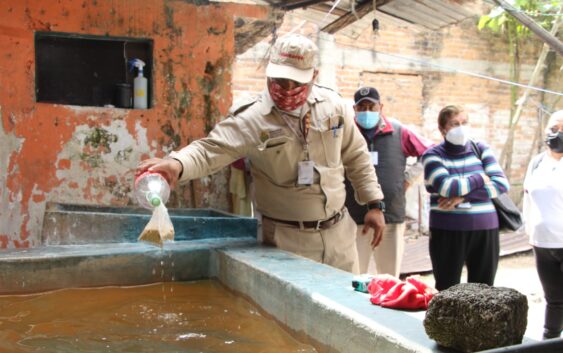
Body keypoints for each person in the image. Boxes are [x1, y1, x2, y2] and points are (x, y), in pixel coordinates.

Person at [135, 33, 386, 273]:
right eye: (279, 80)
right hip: (285, 243)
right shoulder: (251, 119)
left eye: (296, 82)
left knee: (344, 307)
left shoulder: (334, 107)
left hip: (339, 236)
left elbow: (357, 156)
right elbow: (209, 150)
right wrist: (177, 164)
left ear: (313, 76)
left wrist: (374, 204)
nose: (287, 89)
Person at [344, 87, 433, 277]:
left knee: (389, 277)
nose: (366, 111)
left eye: (371, 106)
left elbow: (428, 151)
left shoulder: (398, 131)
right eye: (362, 107)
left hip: (391, 214)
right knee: (355, 277)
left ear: (380, 107)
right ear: (355, 109)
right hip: (355, 216)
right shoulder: (347, 132)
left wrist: (409, 178)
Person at [422, 105, 509, 291]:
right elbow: (446, 186)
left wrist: (462, 197)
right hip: (447, 230)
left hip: (485, 228)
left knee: (483, 290)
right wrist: (481, 178)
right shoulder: (432, 155)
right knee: (447, 288)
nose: (460, 127)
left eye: (464, 122)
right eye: (454, 124)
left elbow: (501, 184)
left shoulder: (481, 149)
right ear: (443, 129)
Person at [523, 109, 563, 340]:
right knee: (554, 299)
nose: (558, 134)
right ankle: (550, 343)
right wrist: (530, 231)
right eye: (554, 129)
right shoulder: (537, 162)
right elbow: (528, 197)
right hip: (542, 243)